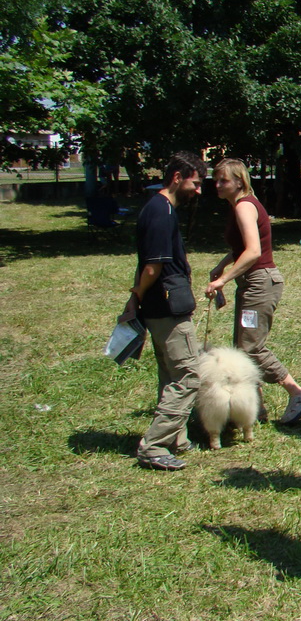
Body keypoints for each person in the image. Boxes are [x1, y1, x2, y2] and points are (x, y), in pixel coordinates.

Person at [204, 159, 301, 424]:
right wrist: (222, 265)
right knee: (243, 348)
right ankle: (257, 410)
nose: (217, 185)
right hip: (251, 283)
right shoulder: (241, 206)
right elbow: (243, 247)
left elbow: (253, 252)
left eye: (224, 180)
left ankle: (296, 392)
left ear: (239, 181)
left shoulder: (244, 207)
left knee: (251, 348)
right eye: (215, 180)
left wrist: (223, 280)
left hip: (260, 284)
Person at [125, 152, 206, 471]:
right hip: (168, 310)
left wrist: (136, 299)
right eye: (195, 183)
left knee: (170, 374)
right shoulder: (161, 211)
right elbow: (153, 266)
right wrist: (138, 294)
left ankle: (176, 438)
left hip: (157, 307)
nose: (198, 191)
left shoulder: (159, 208)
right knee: (188, 375)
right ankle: (154, 445)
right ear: (177, 177)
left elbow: (144, 264)